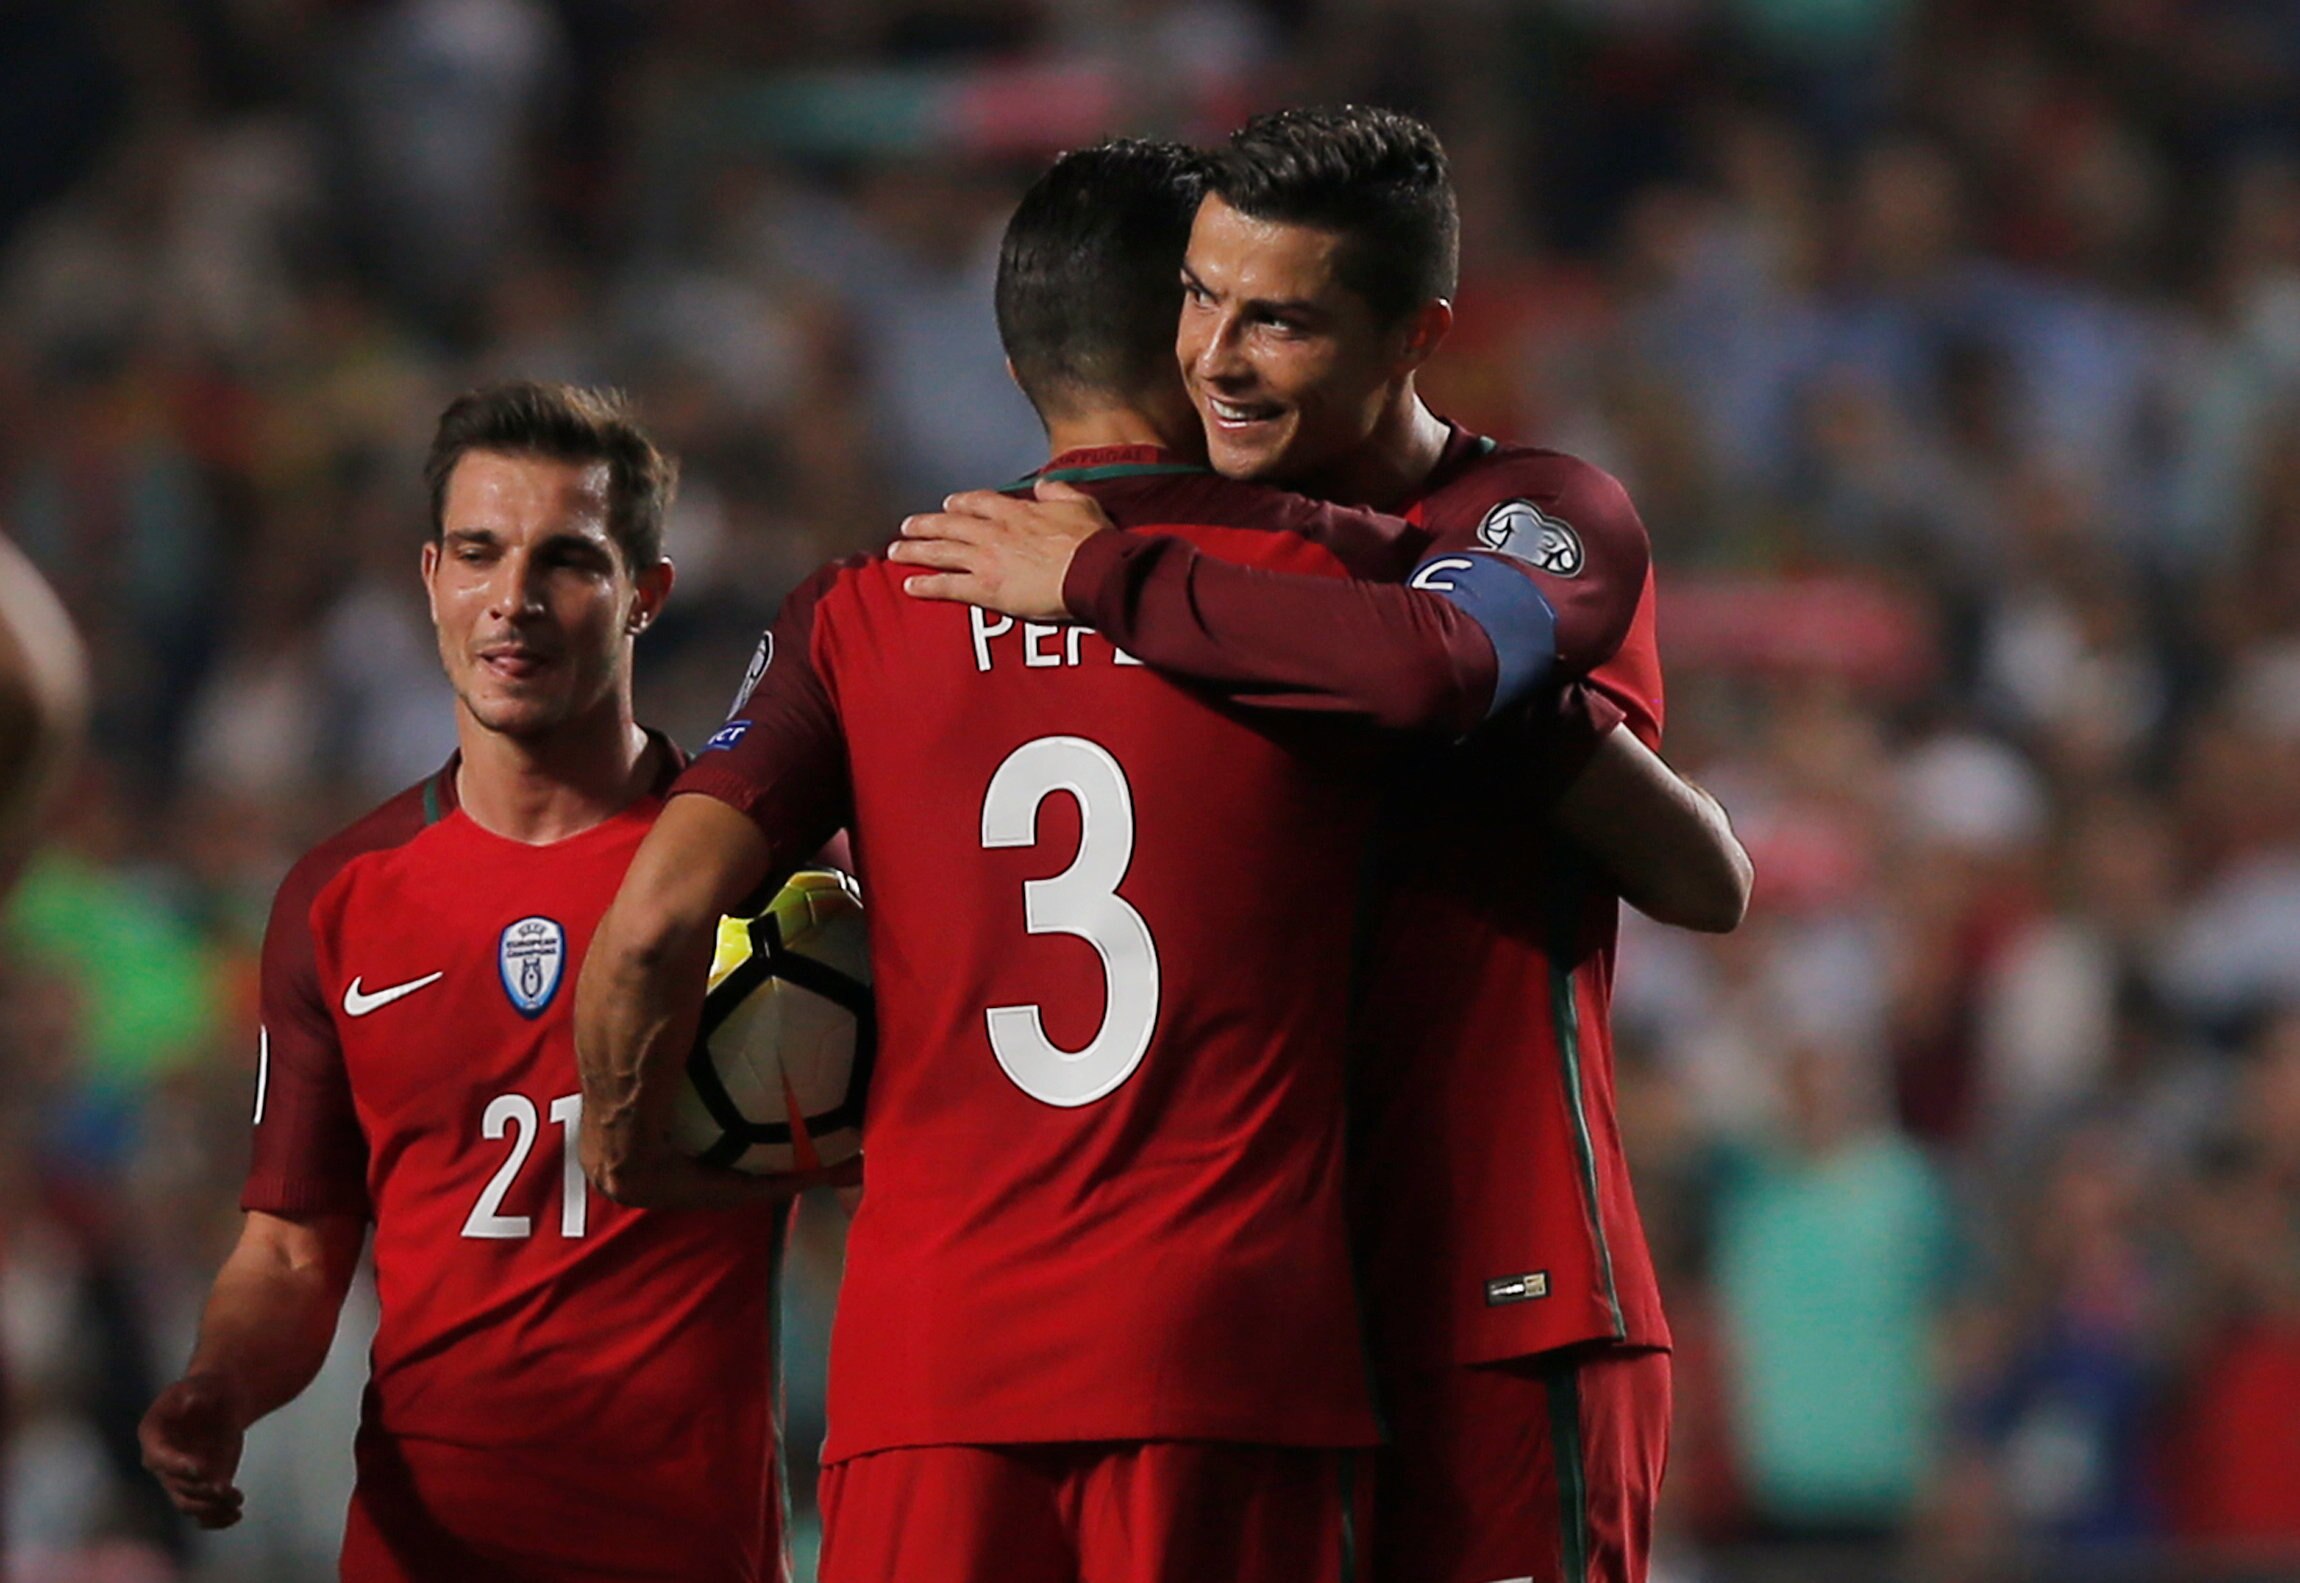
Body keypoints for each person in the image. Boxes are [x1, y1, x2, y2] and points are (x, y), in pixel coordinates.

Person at [575, 139, 1645, 1583]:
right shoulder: (1342, 581)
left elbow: (648, 922)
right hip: (1234, 1356)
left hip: (926, 1370)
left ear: (1018, 366)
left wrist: (636, 1141)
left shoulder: (865, 605)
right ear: (1190, 337)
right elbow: (1558, 763)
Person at [896, 106, 1734, 1583]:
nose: (1217, 355)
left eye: (1277, 319)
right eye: (1201, 298)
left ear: (1416, 333)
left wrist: (1104, 574)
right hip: (1251, 1335)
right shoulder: (1179, 553)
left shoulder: (1532, 513)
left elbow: (1432, 662)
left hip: (1496, 1293)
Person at [138, 382, 806, 1582]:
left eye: (567, 559)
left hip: (686, 1543)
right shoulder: (340, 896)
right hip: (424, 1545)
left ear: (645, 594)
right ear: (431, 577)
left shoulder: (760, 885)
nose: (514, 599)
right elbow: (291, 1249)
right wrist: (217, 1385)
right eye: (482, 555)